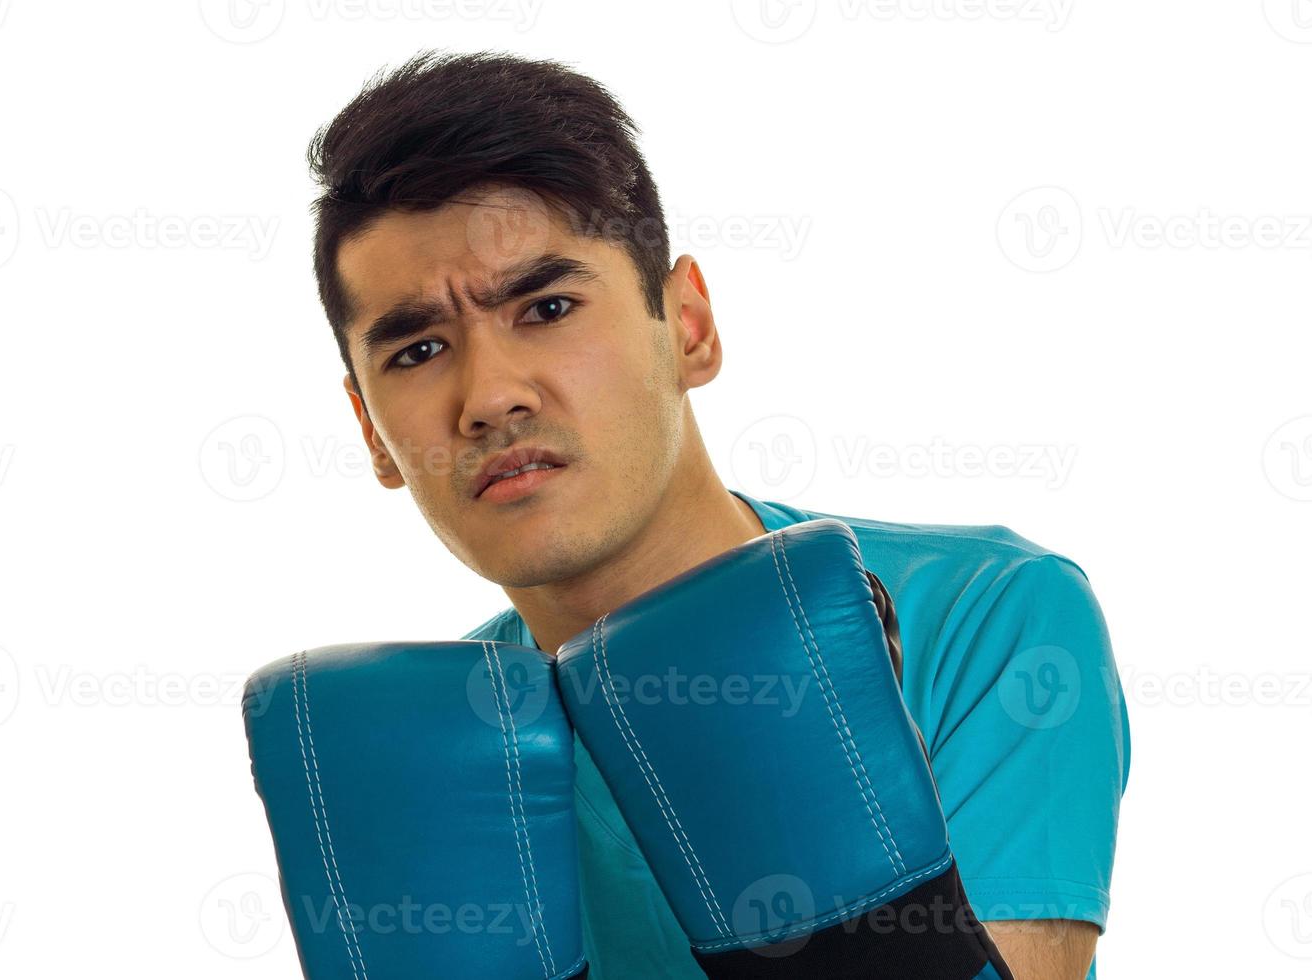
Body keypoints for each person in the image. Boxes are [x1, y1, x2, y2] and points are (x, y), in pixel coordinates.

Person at [310, 48, 1128, 979]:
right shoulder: (437, 755)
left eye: (548, 305)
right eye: (416, 351)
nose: (490, 396)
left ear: (688, 326)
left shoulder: (990, 613)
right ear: (372, 432)